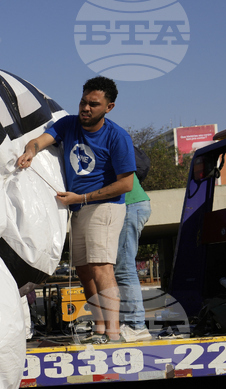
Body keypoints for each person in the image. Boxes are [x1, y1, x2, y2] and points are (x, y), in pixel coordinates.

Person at [16, 76, 136, 343]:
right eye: (83, 101)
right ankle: (100, 328)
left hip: (104, 207)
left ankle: (113, 333)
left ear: (109, 107)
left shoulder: (118, 136)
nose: (85, 108)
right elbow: (39, 140)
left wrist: (81, 198)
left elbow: (126, 183)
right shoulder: (68, 124)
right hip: (78, 207)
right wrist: (30, 152)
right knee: (83, 270)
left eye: (93, 104)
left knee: (101, 267)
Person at [116, 174, 153, 341]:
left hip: (129, 204)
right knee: (120, 267)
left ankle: (136, 326)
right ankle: (130, 323)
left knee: (124, 266)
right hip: (131, 204)